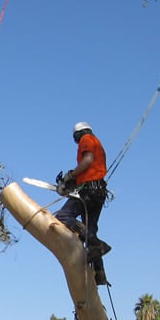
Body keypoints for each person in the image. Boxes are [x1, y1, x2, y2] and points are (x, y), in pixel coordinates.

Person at [54, 121, 112, 285]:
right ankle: (99, 273)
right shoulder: (98, 144)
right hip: (98, 192)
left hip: (89, 191)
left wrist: (69, 176)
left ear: (78, 134)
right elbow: (89, 169)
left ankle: (97, 244)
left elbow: (87, 161)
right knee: (90, 229)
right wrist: (72, 184)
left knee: (63, 216)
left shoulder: (87, 139)